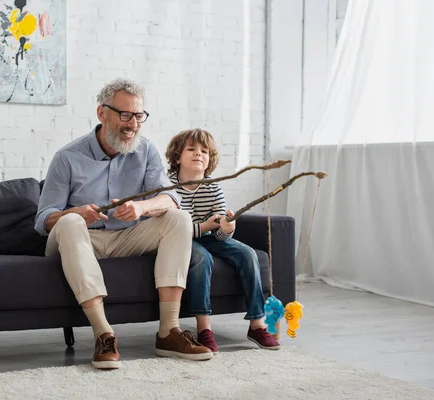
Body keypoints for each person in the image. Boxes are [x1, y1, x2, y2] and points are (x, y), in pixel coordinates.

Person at [35, 79, 212, 370]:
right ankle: (104, 335)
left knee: (179, 218)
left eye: (139, 116)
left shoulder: (146, 151)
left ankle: (169, 331)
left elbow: (170, 198)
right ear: (102, 113)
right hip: (81, 240)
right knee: (68, 222)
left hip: (128, 237)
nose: (133, 124)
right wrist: (76, 213)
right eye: (124, 115)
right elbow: (43, 220)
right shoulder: (67, 158)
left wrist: (141, 206)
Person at [165, 128, 281, 353]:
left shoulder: (213, 187)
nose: (199, 154)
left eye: (204, 151)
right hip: (180, 240)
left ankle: (257, 324)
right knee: (201, 258)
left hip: (208, 236)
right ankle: (204, 328)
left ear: (209, 160)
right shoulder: (168, 187)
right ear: (177, 157)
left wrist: (226, 229)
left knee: (248, 253)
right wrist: (206, 226)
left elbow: (219, 234)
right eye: (191, 149)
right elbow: (175, 229)